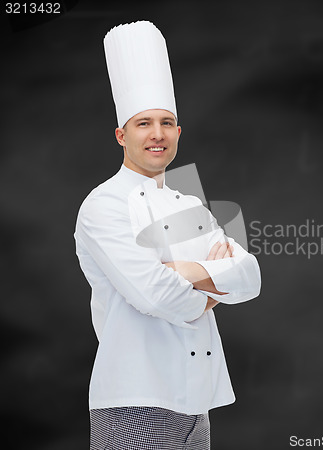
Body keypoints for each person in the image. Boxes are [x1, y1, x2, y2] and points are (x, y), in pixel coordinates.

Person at [74, 21, 261, 449]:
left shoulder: (189, 203)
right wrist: (215, 282)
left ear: (178, 133)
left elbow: (250, 276)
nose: (156, 134)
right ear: (122, 135)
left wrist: (182, 269)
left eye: (167, 123)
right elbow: (157, 296)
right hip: (133, 401)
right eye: (143, 123)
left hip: (197, 400)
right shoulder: (103, 205)